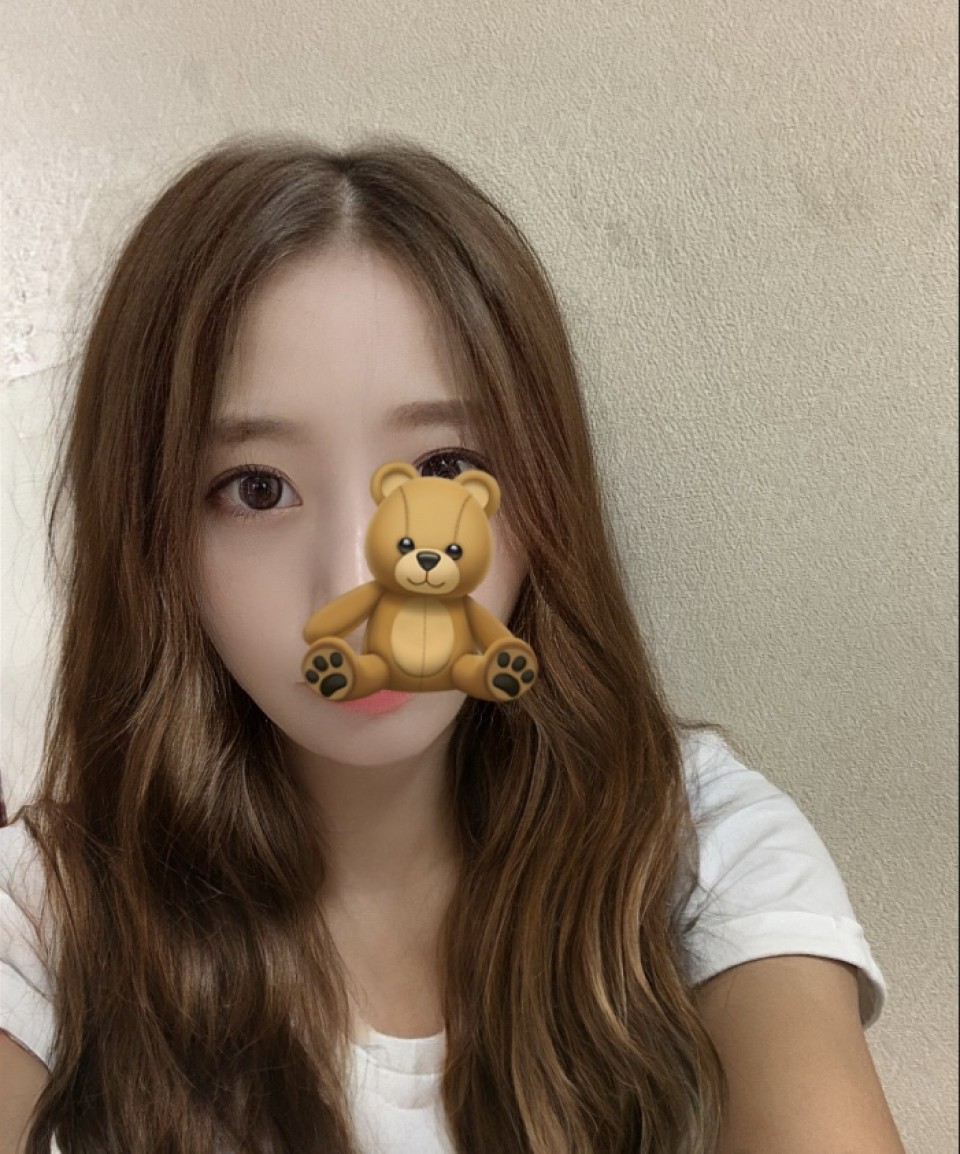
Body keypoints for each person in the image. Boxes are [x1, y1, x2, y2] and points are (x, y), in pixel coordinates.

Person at [0, 137, 905, 1154]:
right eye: (257, 488)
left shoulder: (695, 846)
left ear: (540, 489)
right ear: (151, 536)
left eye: (444, 465)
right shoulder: (46, 913)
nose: (360, 588)